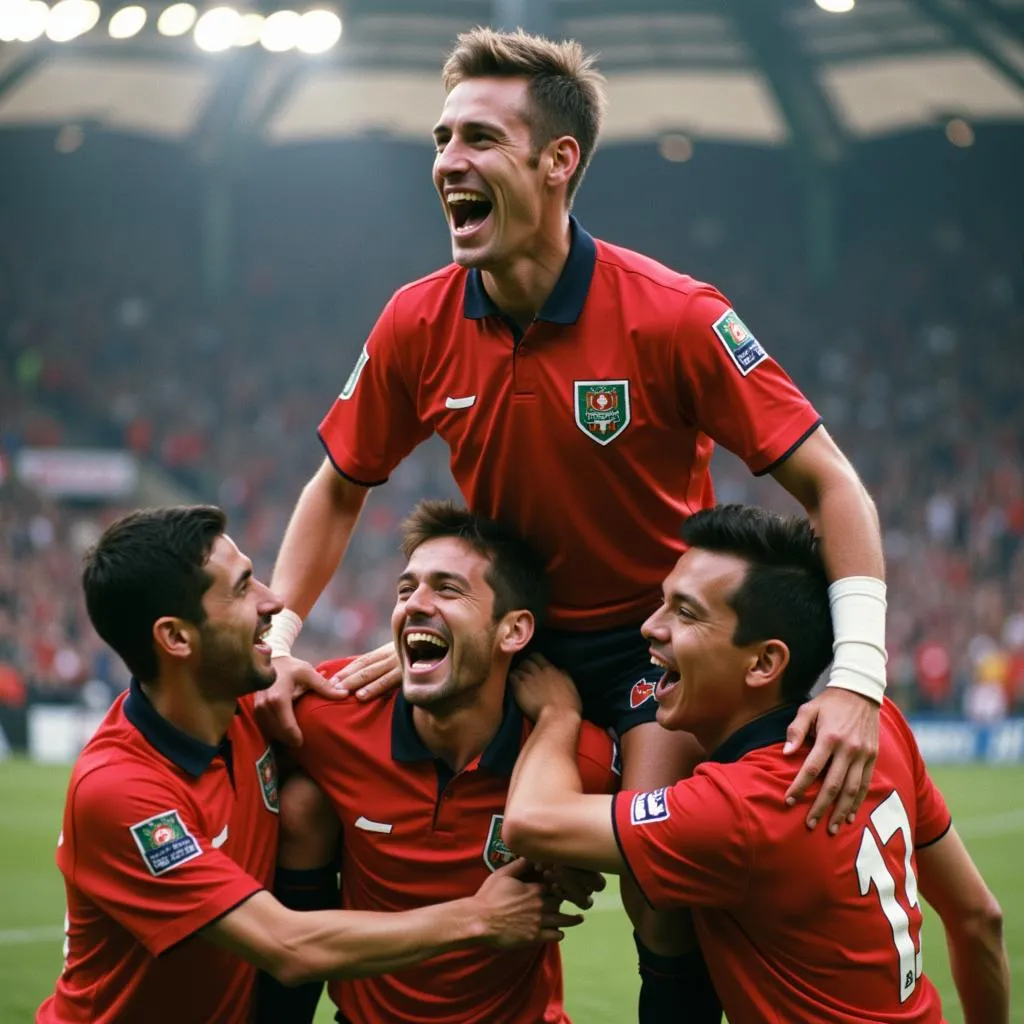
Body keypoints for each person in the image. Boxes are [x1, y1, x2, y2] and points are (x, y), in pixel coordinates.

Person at [260, 25, 887, 1017]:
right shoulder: (415, 321)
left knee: (659, 886)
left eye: (477, 140)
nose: (446, 163)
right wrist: (278, 639)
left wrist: (856, 676)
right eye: (441, 138)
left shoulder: (672, 314)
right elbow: (338, 483)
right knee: (306, 802)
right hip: (509, 642)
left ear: (557, 163)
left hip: (650, 646)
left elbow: (833, 484)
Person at [37, 506, 581, 1024]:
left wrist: (441, 642)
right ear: (176, 637)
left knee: (303, 804)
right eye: (244, 588)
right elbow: (286, 945)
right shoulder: (121, 791)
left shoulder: (261, 710)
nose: (274, 603)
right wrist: (479, 917)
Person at [501, 504, 1009, 1024]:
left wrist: (558, 714)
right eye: (662, 602)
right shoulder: (882, 731)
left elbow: (529, 822)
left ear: (764, 663)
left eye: (686, 612)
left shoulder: (739, 808)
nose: (651, 628)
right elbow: (978, 919)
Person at [262, 500, 619, 1024]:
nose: (415, 604)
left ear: (514, 631)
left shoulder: (579, 761)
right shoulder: (331, 712)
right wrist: (269, 665)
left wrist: (583, 856)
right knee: (300, 803)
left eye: (447, 589)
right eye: (406, 590)